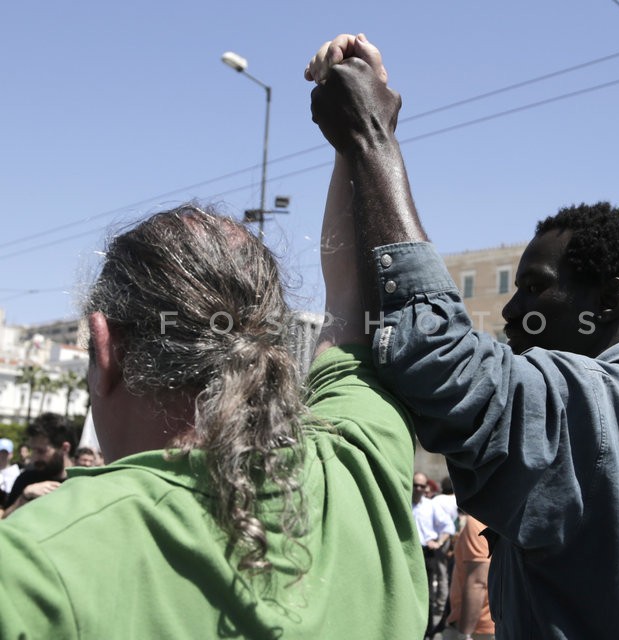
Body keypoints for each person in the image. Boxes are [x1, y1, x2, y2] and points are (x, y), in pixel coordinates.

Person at [306, 33, 619, 639]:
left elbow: (433, 344)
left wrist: (373, 136)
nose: (511, 305)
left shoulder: (579, 404)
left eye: (534, 286)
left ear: (607, 302)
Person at [0, 200, 427, 637]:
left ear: (108, 349)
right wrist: (367, 141)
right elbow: (354, 311)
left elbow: (348, 308)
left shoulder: (36, 564)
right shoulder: (360, 473)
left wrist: (357, 142)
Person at [2, 412, 76, 516]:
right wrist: (24, 497)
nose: (34, 458)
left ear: (64, 448)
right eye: (33, 450)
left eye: (41, 451)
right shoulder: (26, 479)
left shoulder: (81, 482)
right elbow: (4, 520)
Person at [413, 471, 456, 637]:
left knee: (428, 593)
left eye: (421, 486)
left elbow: (448, 526)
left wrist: (438, 542)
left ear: (426, 488)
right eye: (415, 485)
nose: (418, 488)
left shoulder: (430, 505)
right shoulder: (405, 504)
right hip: (408, 552)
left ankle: (428, 630)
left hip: (426, 552)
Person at [444, 515, 495, 640]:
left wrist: (465, 633)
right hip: (495, 622)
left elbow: (478, 583)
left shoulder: (478, 521)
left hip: (478, 628)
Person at [0, 438, 19, 504]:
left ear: (11, 455)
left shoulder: (16, 474)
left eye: (5, 453)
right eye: (0, 452)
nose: (2, 455)